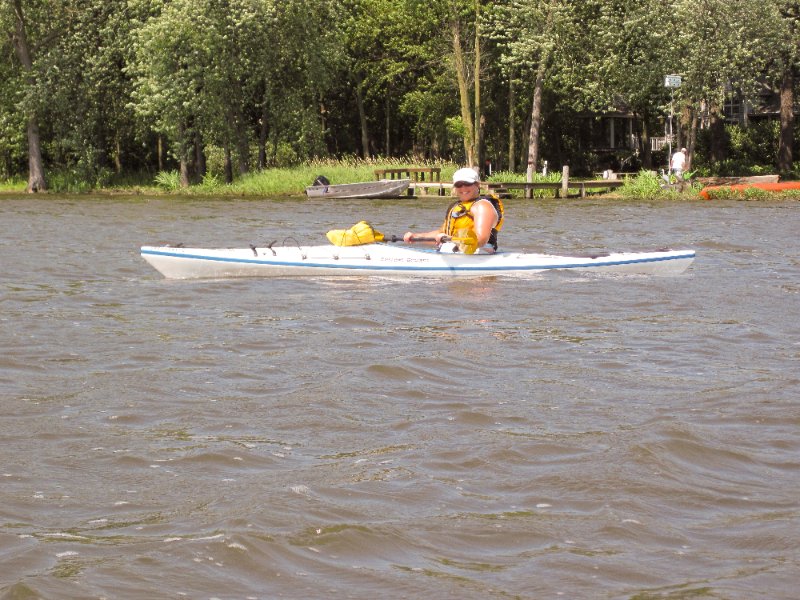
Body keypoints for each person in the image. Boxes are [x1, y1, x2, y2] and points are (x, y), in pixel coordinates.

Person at [403, 167, 504, 254]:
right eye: (459, 184)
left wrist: (450, 239)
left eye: (467, 183)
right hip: (453, 252)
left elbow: (480, 239)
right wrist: (416, 237)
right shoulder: (456, 206)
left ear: (477, 184)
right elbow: (441, 233)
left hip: (478, 254)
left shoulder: (483, 206)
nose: (463, 188)